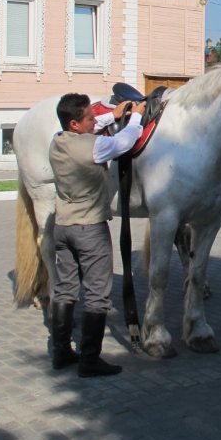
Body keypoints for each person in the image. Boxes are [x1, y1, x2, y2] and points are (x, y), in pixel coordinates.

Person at [48, 93, 145, 377]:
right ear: (76, 123)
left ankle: (61, 352)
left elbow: (89, 126)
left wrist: (111, 116)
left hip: (63, 227)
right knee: (97, 295)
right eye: (90, 117)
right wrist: (136, 115)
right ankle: (90, 359)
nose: (95, 121)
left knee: (65, 290)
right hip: (90, 229)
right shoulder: (96, 147)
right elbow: (125, 141)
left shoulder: (57, 140)